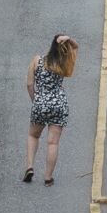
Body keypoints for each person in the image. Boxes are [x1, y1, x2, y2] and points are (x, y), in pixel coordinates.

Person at [24, 34, 78, 185]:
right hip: (59, 104)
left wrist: (36, 101)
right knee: (53, 143)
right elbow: (75, 47)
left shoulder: (37, 60)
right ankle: (48, 178)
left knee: (33, 136)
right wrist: (68, 39)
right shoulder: (64, 64)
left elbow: (29, 84)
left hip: (40, 102)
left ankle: (29, 167)